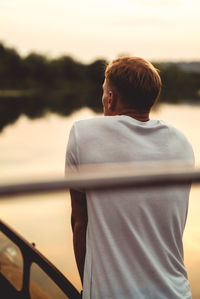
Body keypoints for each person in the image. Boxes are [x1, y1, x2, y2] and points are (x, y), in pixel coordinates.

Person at [66, 56, 194, 299]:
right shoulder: (181, 142)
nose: (103, 97)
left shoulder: (84, 134)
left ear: (111, 98)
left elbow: (79, 221)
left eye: (104, 91)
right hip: (177, 293)